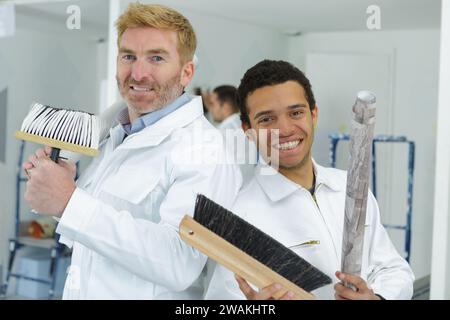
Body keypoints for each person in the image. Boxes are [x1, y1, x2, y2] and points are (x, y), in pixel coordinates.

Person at [23, 3, 241, 299]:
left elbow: (179, 262)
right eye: (129, 56)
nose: (138, 73)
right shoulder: (118, 134)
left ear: (186, 72)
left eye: (156, 58)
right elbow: (95, 240)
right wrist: (60, 190)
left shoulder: (206, 150)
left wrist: (69, 202)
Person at [204, 60, 414, 300]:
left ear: (313, 114)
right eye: (266, 119)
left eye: (295, 113)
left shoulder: (348, 187)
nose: (284, 130)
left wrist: (377, 298)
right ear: (247, 130)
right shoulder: (237, 216)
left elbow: (394, 270)